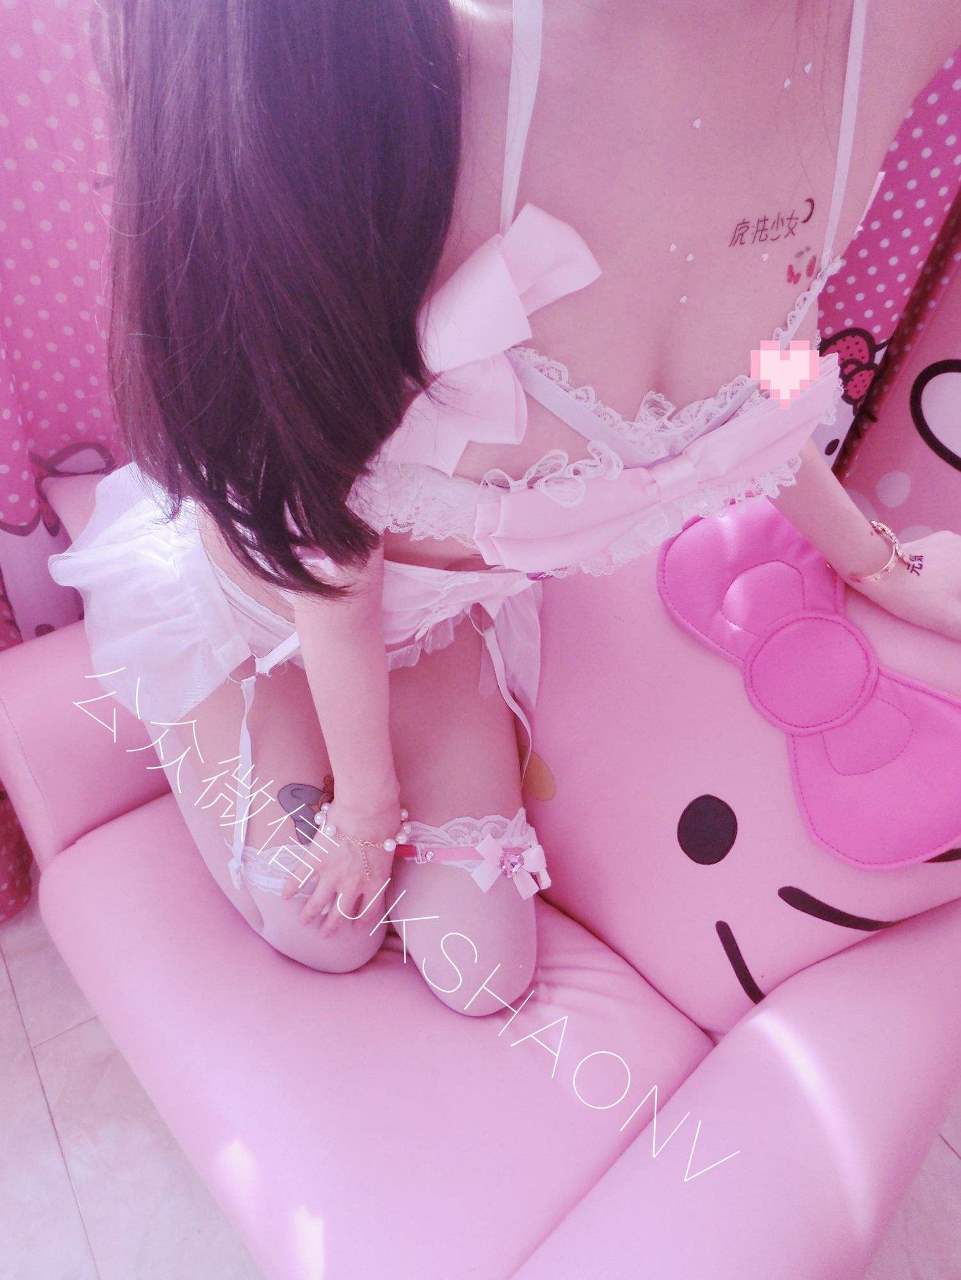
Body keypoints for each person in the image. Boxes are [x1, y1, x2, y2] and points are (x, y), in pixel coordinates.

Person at [49, 0, 960, 1014]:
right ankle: (201, 693)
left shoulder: (877, 49)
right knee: (326, 929)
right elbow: (327, 559)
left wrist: (875, 561)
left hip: (434, 631)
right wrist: (366, 810)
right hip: (266, 613)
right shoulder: (384, 82)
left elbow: (762, 399)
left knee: (483, 973)